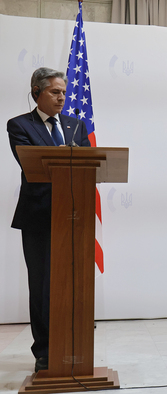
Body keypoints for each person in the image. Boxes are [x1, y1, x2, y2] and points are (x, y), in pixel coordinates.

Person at [7, 67, 90, 372]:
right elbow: (33, 164)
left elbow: (90, 162)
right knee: (42, 286)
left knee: (74, 284)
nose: (62, 98)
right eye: (55, 92)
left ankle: (74, 346)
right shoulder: (19, 125)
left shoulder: (75, 125)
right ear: (36, 92)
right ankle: (44, 350)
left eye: (64, 92)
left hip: (74, 215)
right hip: (39, 216)